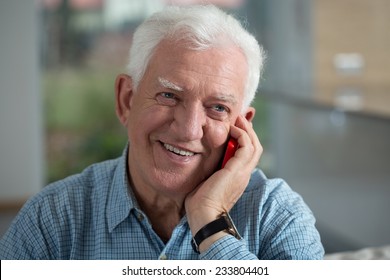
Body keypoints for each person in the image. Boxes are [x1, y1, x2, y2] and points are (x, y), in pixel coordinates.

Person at [0, 5, 324, 260]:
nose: (187, 129)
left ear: (242, 126)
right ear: (126, 100)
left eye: (218, 108)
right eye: (169, 95)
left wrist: (210, 220)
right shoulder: (51, 220)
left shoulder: (278, 216)